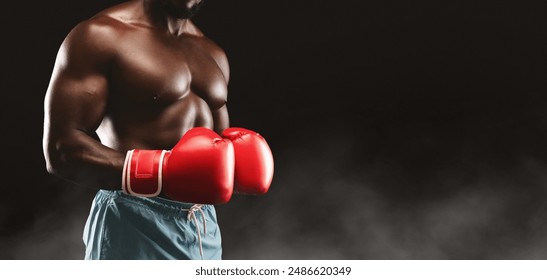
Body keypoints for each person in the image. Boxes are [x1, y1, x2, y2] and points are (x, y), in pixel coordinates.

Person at [42, 0, 274, 260]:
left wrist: (240, 159)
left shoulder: (212, 53)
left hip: (202, 225)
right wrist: (162, 171)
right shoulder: (101, 36)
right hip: (133, 220)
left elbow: (216, 148)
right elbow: (62, 148)